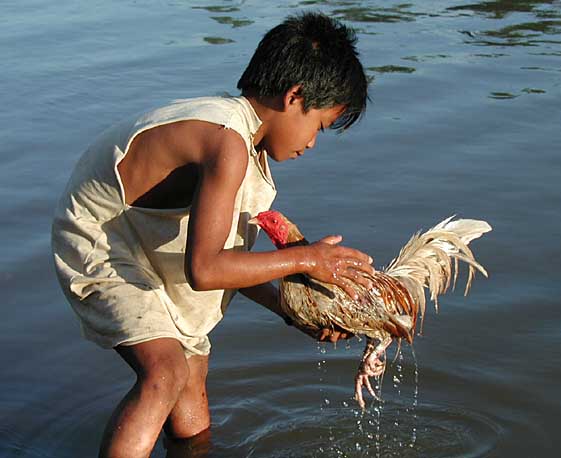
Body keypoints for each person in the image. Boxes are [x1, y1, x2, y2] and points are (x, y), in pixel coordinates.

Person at [52, 11, 372, 458]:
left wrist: (292, 309)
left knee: (190, 380)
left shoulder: (247, 150)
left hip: (151, 237)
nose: (312, 144)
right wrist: (307, 260)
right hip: (102, 237)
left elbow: (229, 264)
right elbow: (205, 269)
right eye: (318, 127)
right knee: (164, 373)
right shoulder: (225, 141)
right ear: (294, 96)